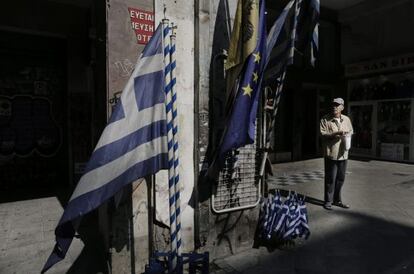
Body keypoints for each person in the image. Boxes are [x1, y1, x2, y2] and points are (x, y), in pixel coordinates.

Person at [320, 98, 353, 210]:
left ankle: (337, 200)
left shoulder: (347, 119)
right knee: (330, 178)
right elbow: (323, 134)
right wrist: (336, 133)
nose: (335, 107)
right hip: (332, 153)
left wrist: (347, 134)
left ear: (342, 108)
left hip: (343, 153)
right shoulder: (325, 119)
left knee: (341, 178)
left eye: (337, 105)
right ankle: (328, 201)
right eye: (333, 105)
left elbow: (351, 131)